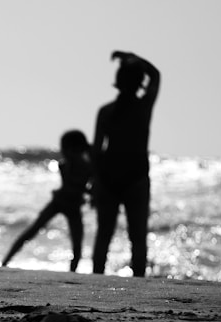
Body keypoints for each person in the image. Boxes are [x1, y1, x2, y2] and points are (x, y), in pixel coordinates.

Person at [90, 50, 160, 276]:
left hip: (112, 179)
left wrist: (95, 182)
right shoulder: (143, 107)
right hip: (133, 179)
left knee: (105, 235)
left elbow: (96, 151)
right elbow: (156, 75)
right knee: (137, 237)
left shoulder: (107, 111)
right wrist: (135, 58)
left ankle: (96, 279)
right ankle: (137, 281)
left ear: (118, 82)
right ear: (140, 82)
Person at [2, 130, 92, 272]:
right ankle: (5, 262)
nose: (63, 152)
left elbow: (83, 186)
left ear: (73, 149)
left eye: (65, 148)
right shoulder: (67, 165)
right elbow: (76, 184)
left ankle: (72, 272)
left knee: (77, 245)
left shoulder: (85, 166)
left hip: (72, 206)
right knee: (32, 231)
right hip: (60, 202)